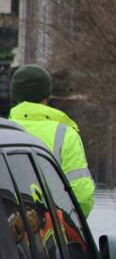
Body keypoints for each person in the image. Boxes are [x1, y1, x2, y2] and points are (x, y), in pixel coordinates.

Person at [8, 65, 95, 216]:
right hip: (55, 232)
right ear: (47, 95)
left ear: (15, 95)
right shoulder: (65, 134)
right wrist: (69, 227)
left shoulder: (5, 132)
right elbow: (81, 195)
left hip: (9, 235)